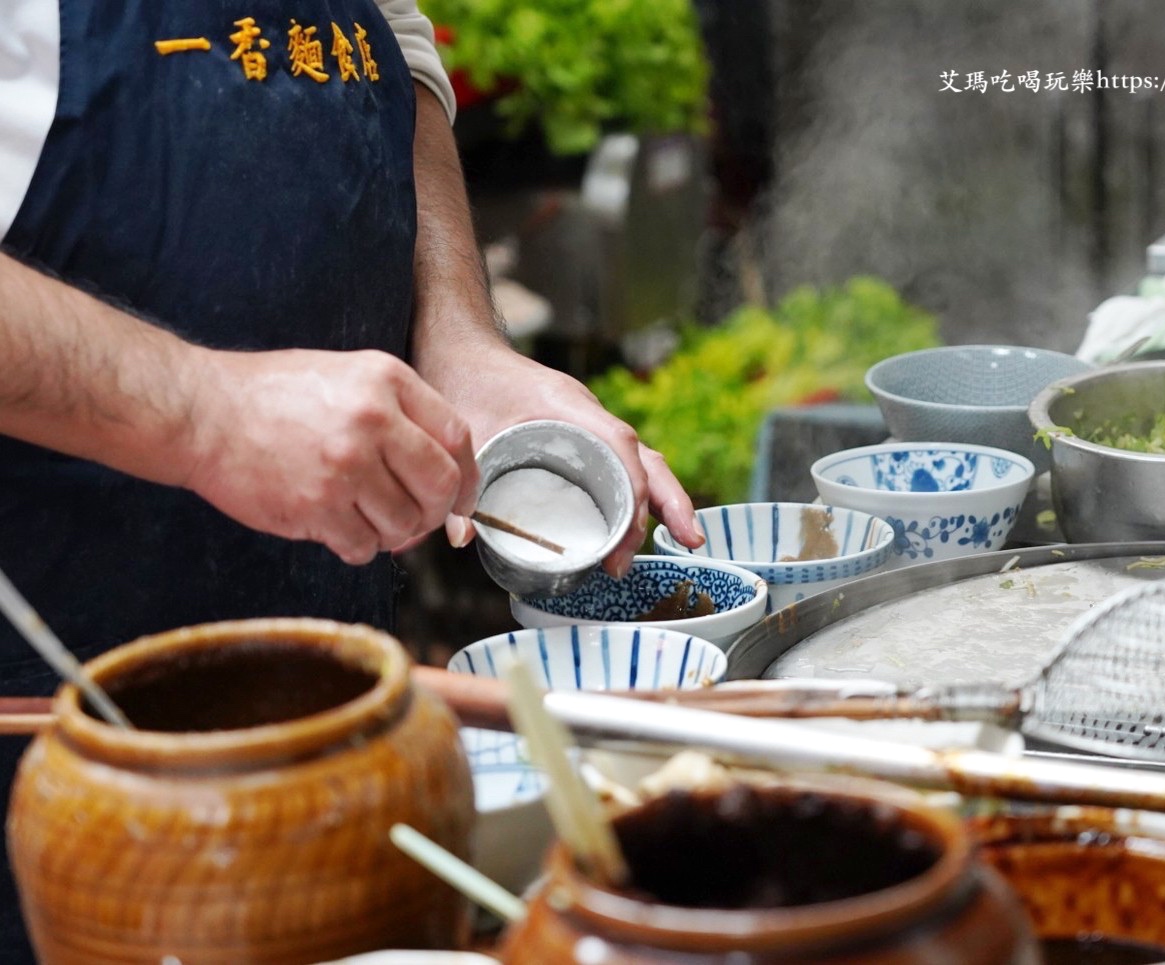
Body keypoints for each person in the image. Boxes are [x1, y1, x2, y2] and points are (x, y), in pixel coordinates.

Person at [0, 1, 704, 959]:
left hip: (332, 694)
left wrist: (456, 330)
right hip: (47, 753)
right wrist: (204, 411)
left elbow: (393, 52)